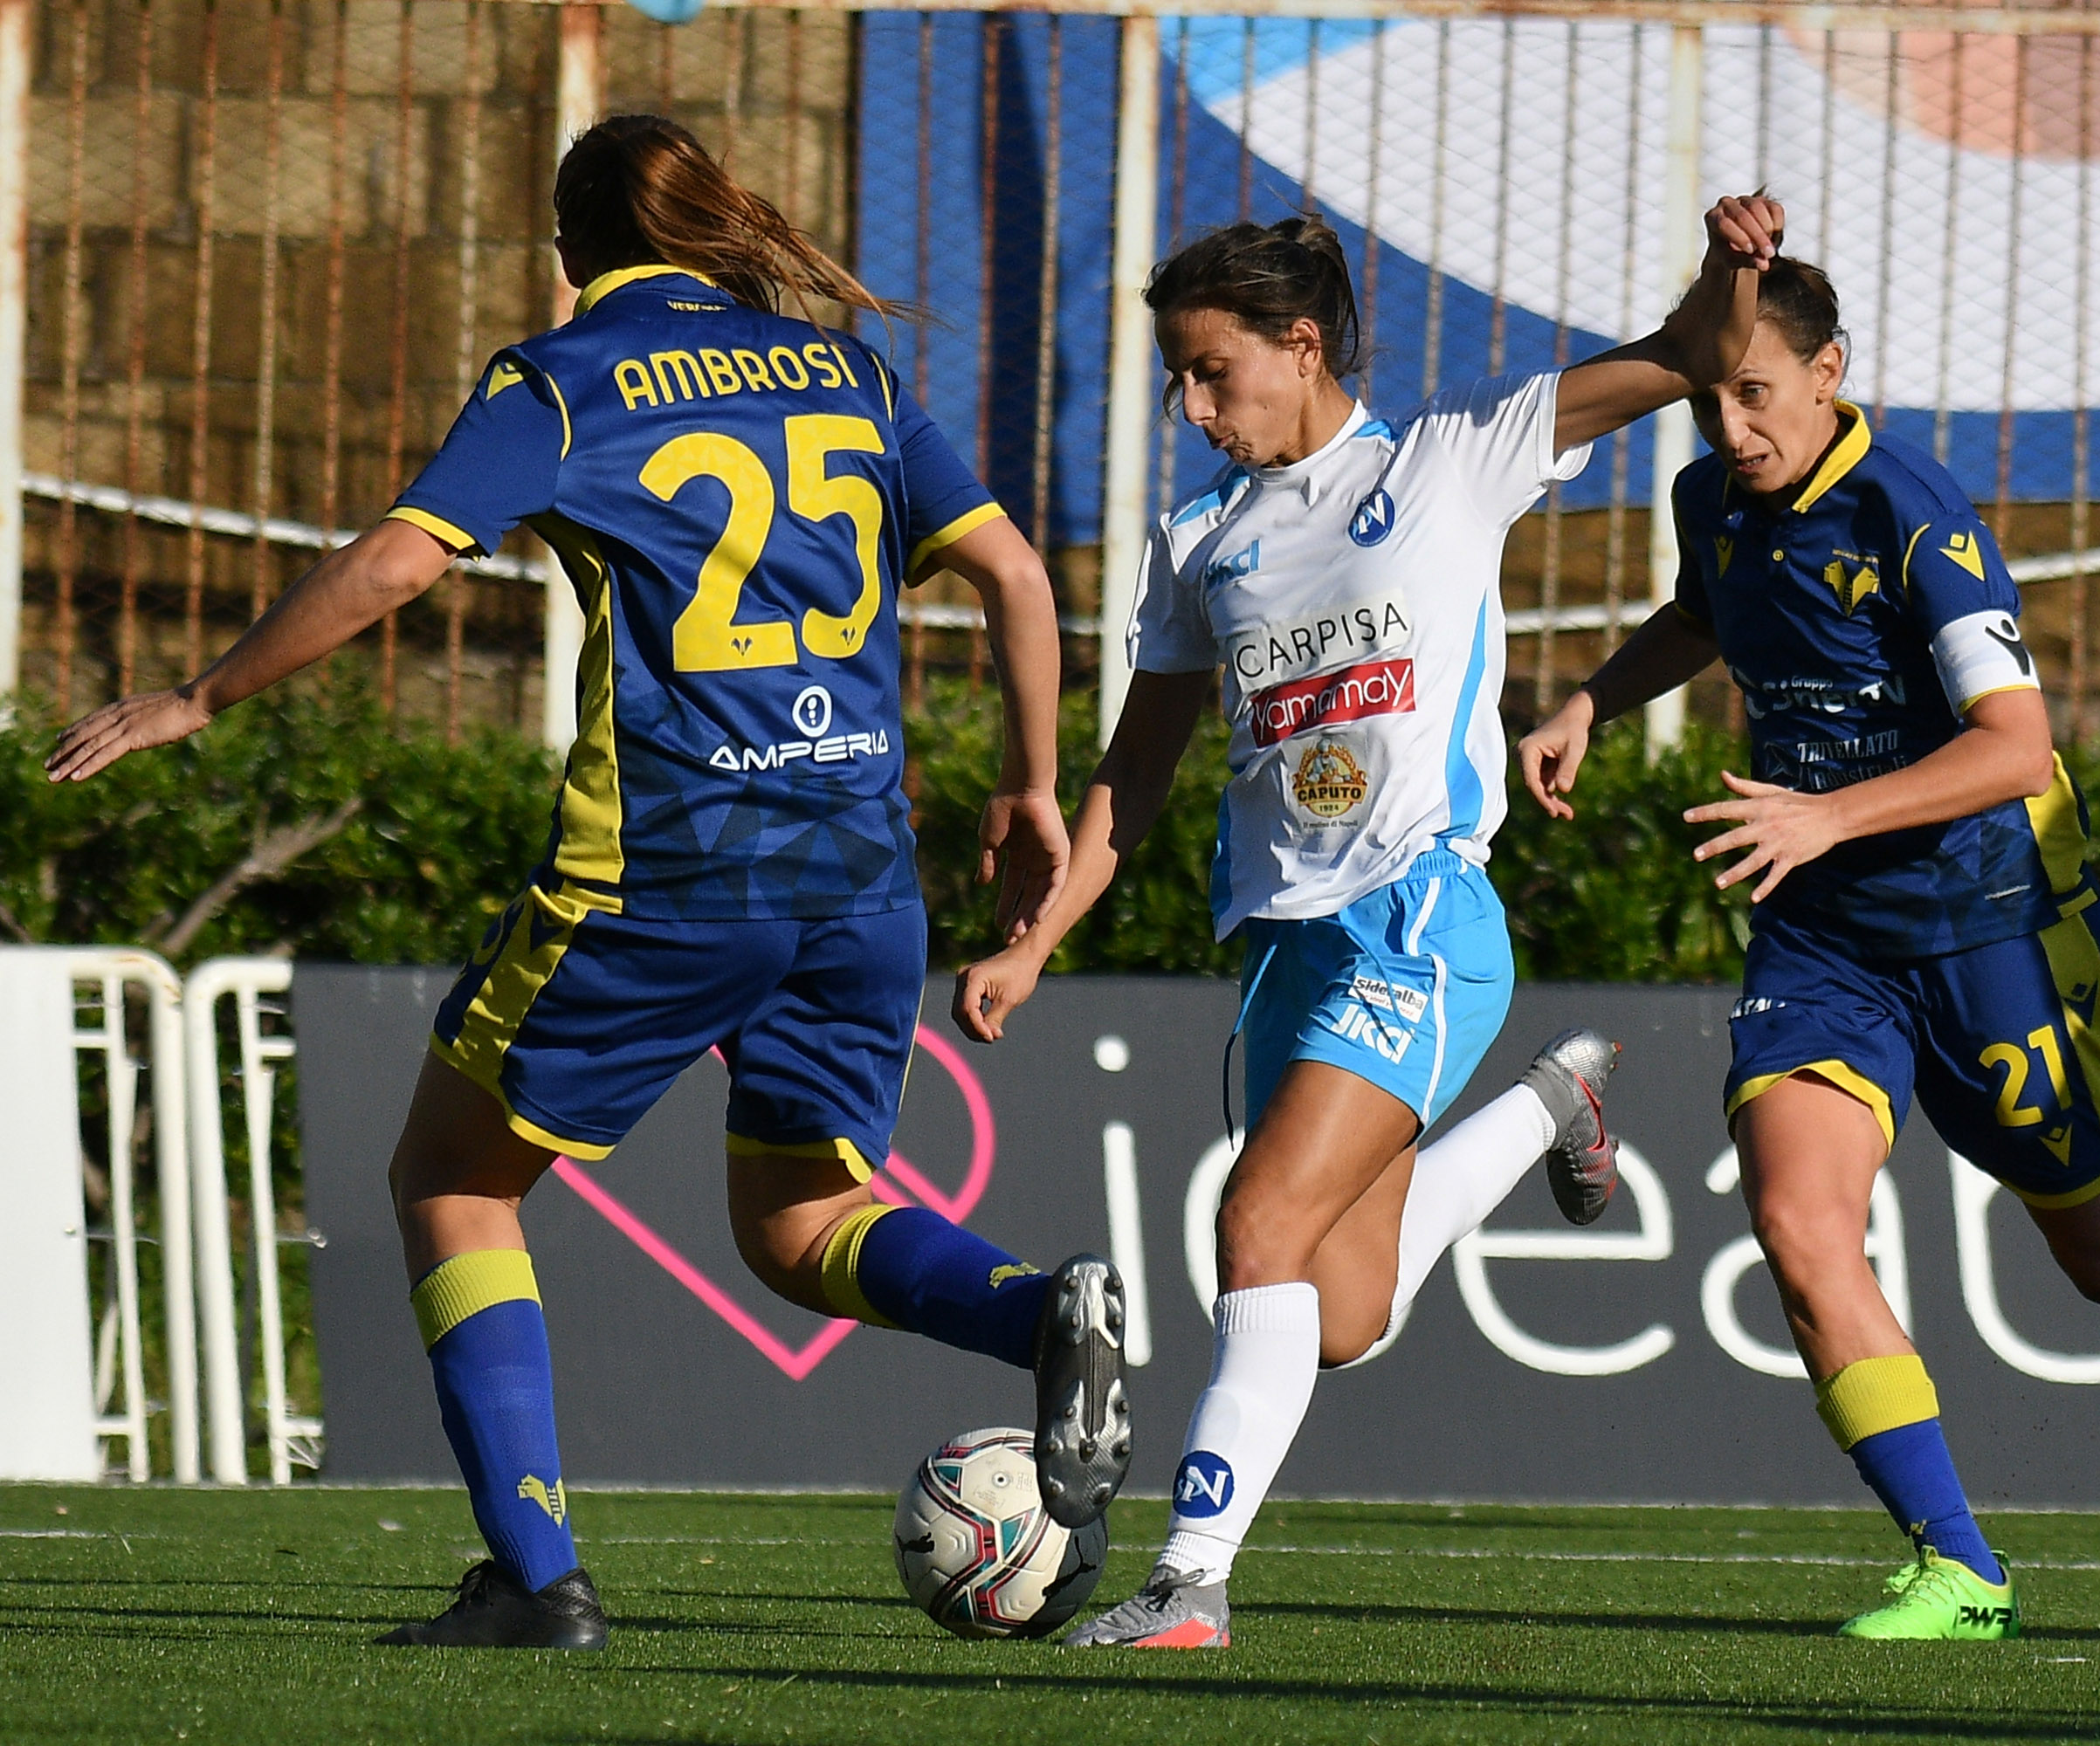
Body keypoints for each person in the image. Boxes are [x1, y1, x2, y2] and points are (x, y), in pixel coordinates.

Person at [45, 116, 1132, 1649]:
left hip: (672, 866)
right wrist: (1026, 784)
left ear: (570, 250)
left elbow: (396, 563)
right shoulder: (851, 374)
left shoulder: (562, 379)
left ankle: (536, 1579)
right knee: (801, 1222)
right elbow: (1017, 573)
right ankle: (1040, 1311)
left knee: (453, 1176)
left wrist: (198, 695)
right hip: (858, 871)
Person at [951, 193, 1786, 1648]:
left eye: (1212, 371)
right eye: (1178, 378)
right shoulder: (1199, 539)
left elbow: (1693, 354)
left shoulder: (1452, 460)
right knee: (1339, 1315)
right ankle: (1552, 1107)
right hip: (1290, 949)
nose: (1192, 407)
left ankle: (1189, 1582)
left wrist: (1731, 274)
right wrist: (1035, 942)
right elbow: (1134, 776)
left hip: (1421, 922)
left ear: (1302, 343)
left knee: (1256, 1224)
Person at [1517, 258, 2100, 1641]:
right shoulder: (1709, 499)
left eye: (1757, 393)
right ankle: (1962, 1568)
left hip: (1994, 926)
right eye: (1711, 398)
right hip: (1825, 935)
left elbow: (2016, 746)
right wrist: (1591, 702)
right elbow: (1704, 611)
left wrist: (1826, 813)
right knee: (1798, 1223)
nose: (1732, 426)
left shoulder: (1912, 512)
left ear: (1830, 373)